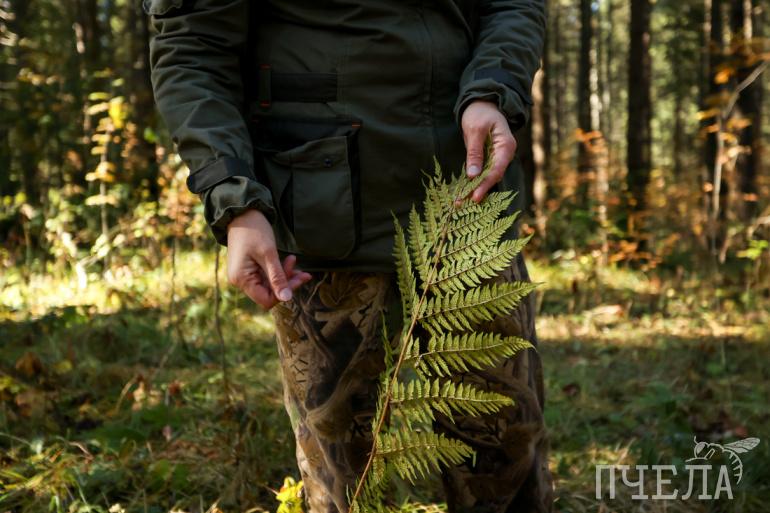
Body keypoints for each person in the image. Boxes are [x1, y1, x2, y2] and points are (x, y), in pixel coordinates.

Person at [145, 1, 553, 511]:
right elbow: (191, 47)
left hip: (468, 206)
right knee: (342, 478)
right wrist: (235, 201)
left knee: (506, 456)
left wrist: (493, 89)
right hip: (322, 211)